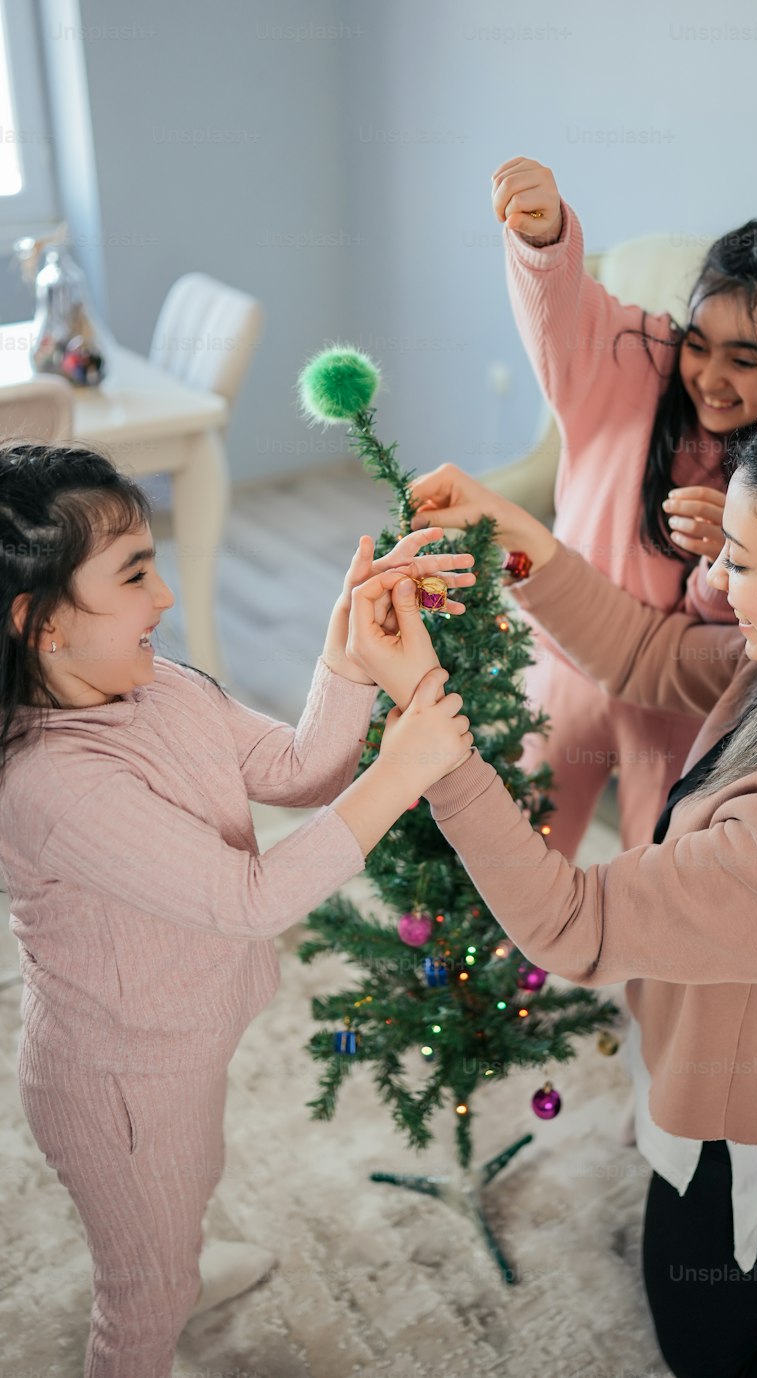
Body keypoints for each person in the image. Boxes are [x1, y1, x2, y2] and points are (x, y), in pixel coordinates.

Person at [347, 383, 757, 1375]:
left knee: (712, 1351)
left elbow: (576, 921)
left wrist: (437, 749)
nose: (718, 584)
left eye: (740, 563)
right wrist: (514, 533)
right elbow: (646, 654)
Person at [0, 441, 473, 1378]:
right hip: (118, 1079)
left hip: (178, 1045)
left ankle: (179, 1251)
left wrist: (346, 653)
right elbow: (249, 900)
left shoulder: (159, 688)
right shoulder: (50, 784)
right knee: (142, 1302)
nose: (165, 597)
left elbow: (298, 770)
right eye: (135, 574)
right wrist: (400, 774)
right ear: (42, 622)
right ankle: (163, 1282)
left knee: (192, 1175)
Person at [488, 155, 757, 860]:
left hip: (679, 707)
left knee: (659, 872)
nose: (709, 376)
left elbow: (753, 631)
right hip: (563, 663)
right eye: (700, 344)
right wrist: (544, 238)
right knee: (520, 857)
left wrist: (727, 560)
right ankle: (495, 971)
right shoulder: (634, 360)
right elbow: (563, 316)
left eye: (744, 360)